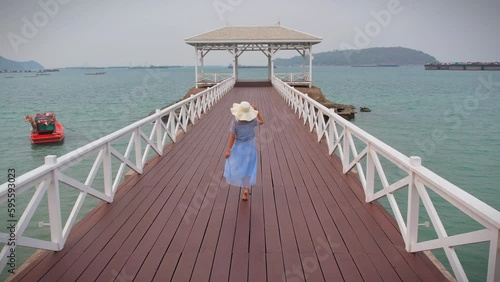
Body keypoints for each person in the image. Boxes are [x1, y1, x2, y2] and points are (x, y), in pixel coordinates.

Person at [224, 101, 264, 201]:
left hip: (238, 148)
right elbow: (262, 121)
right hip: (250, 148)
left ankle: (244, 188)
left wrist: (229, 150)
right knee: (248, 168)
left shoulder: (235, 123)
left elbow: (232, 137)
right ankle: (246, 188)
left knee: (240, 167)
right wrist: (257, 111)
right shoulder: (252, 121)